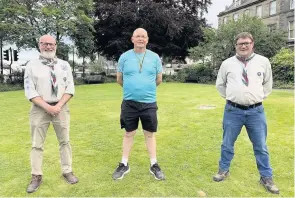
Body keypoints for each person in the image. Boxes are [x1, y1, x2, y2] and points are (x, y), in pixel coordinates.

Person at [214, 32, 279, 194]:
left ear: (252, 44)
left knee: (261, 146)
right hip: (232, 111)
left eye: (247, 43)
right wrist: (233, 98)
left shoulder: (263, 62)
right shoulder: (227, 63)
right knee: (227, 143)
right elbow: (220, 85)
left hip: (256, 112)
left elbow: (267, 84)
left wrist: (255, 98)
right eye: (240, 44)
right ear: (235, 46)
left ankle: (266, 177)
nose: (243, 46)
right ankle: (223, 170)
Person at [24, 35, 78, 193]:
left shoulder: (64, 65)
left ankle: (67, 171)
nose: (49, 47)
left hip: (61, 108)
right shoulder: (31, 66)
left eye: (51, 44)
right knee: (36, 144)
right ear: (39, 45)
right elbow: (30, 90)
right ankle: (36, 176)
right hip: (39, 109)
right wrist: (47, 107)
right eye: (45, 44)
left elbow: (70, 88)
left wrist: (58, 105)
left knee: (65, 142)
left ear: (56, 45)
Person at [112, 28, 165, 181]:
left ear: (147, 40)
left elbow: (159, 80)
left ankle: (154, 164)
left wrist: (145, 91)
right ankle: (124, 164)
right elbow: (119, 79)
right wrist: (133, 91)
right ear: (132, 39)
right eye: (138, 36)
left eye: (143, 36)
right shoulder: (124, 57)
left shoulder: (155, 58)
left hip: (149, 103)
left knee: (149, 134)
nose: (140, 39)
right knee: (129, 133)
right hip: (129, 103)